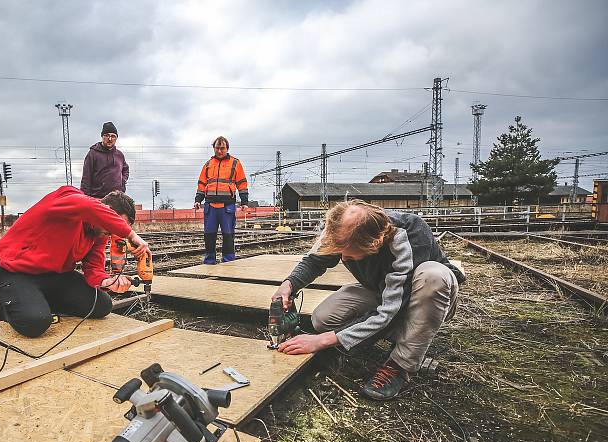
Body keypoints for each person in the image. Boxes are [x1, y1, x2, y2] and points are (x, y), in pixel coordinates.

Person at [271, 200, 465, 400]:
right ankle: (404, 335)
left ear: (374, 243)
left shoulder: (408, 234)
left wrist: (321, 341)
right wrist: (289, 285)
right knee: (323, 319)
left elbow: (389, 310)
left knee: (433, 276)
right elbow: (314, 261)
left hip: (427, 298)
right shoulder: (340, 228)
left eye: (348, 253)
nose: (343, 258)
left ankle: (400, 365)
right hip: (386, 292)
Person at [0, 187, 150, 338]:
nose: (113, 231)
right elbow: (87, 205)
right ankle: (7, 308)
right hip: (14, 270)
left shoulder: (99, 234)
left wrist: (107, 281)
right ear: (104, 210)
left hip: (54, 275)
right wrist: (130, 234)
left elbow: (94, 268)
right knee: (35, 322)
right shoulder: (68, 198)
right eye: (113, 223)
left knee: (101, 305)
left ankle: (36, 301)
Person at [193, 136, 249, 264]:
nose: (219, 151)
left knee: (228, 236)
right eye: (217, 148)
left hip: (227, 207)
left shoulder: (235, 163)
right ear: (214, 148)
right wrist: (198, 200)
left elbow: (242, 183)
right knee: (209, 236)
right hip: (210, 207)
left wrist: (244, 202)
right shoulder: (207, 165)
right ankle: (209, 262)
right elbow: (202, 184)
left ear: (227, 148)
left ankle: (228, 262)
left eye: (222, 148)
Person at [80, 122, 129, 198]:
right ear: (102, 137)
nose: (110, 139)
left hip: (117, 199)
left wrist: (122, 182)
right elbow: (86, 178)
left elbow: (125, 169)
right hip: (98, 198)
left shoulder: (120, 155)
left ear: (116, 138)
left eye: (113, 136)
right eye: (107, 136)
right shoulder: (93, 154)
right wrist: (85, 198)